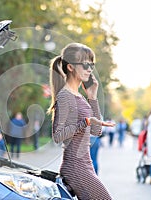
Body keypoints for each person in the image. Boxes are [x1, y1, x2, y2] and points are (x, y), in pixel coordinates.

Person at [47, 43, 115, 199]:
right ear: (70, 67)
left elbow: (96, 131)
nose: (90, 69)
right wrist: (85, 122)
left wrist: (92, 97)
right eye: (85, 64)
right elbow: (58, 136)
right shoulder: (65, 96)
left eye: (91, 64)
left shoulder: (80, 97)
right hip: (75, 167)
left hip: (85, 165)